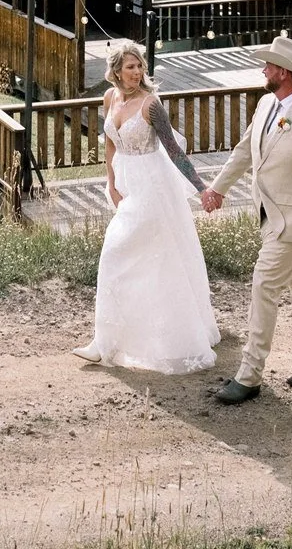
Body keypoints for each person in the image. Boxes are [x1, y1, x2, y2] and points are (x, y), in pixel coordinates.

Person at [200, 35, 292, 401]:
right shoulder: (265, 104)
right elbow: (245, 150)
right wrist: (218, 188)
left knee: (264, 285)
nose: (263, 69)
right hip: (267, 216)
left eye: (269, 65)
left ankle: (249, 375)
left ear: (284, 72)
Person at [73, 43, 220, 374]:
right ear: (115, 72)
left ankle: (108, 342)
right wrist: (110, 184)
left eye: (139, 66)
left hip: (152, 187)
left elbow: (174, 152)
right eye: (130, 67)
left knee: (117, 254)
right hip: (126, 185)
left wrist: (202, 189)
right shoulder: (110, 99)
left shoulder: (152, 105)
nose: (137, 73)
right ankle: (111, 338)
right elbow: (109, 144)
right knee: (141, 263)